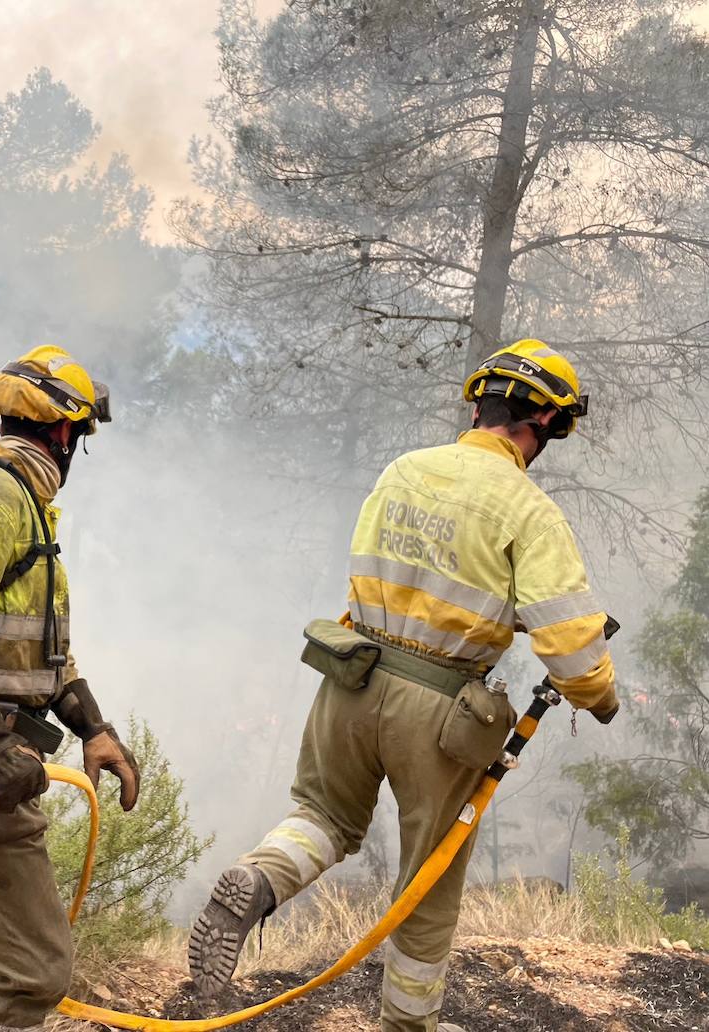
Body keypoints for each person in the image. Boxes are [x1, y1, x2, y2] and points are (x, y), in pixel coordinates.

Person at [187, 339, 619, 1032]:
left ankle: (260, 878)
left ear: (480, 405)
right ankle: (406, 1025)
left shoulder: (401, 472)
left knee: (324, 817)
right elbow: (571, 647)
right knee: (429, 877)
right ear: (539, 424)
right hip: (442, 712)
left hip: (351, 680)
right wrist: (600, 696)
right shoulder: (528, 510)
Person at [0, 346, 141, 1032]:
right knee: (35, 969)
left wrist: (92, 727)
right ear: (65, 433)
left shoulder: (24, 505)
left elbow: (38, 654)